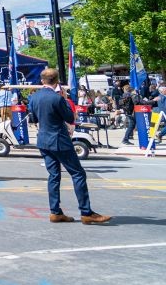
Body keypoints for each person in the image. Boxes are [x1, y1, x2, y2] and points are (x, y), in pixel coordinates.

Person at [28, 68, 111, 224]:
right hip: (59, 139)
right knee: (78, 174)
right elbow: (70, 118)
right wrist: (65, 101)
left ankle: (55, 211)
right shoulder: (57, 98)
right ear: (57, 81)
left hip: (43, 140)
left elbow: (33, 119)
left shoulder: (34, 97)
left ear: (42, 81)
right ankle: (86, 212)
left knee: (53, 175)